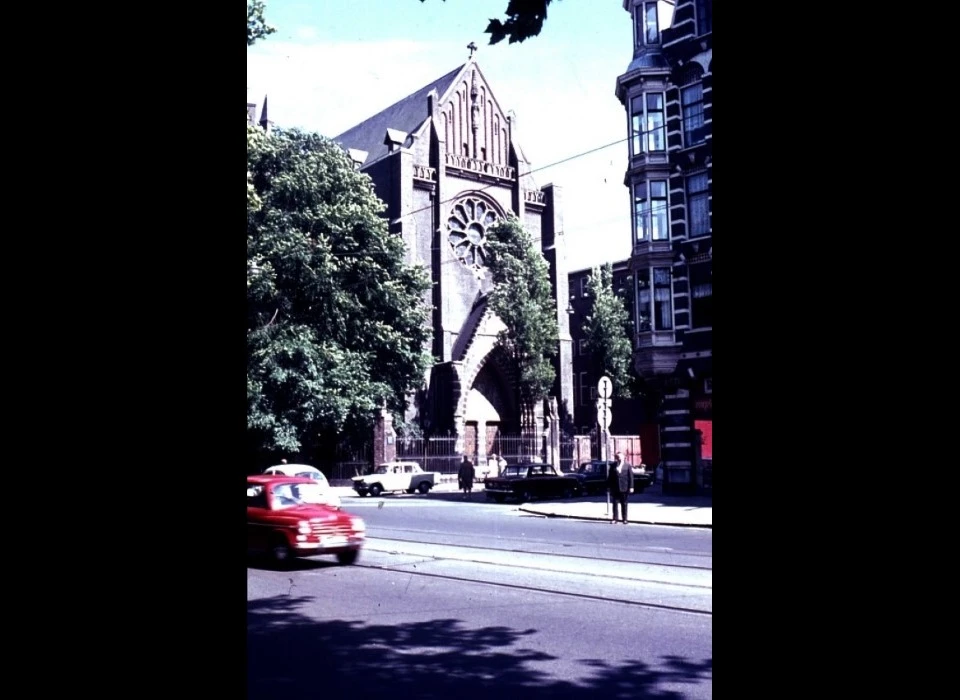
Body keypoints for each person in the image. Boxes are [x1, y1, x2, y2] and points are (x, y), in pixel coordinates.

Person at [607, 451, 634, 524]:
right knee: (615, 504)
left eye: (619, 456)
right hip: (615, 488)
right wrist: (609, 487)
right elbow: (610, 477)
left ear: (623, 457)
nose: (618, 458)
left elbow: (630, 477)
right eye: (617, 457)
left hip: (624, 487)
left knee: (624, 504)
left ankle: (624, 519)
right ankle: (615, 519)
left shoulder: (627, 465)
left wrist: (631, 487)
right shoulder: (613, 465)